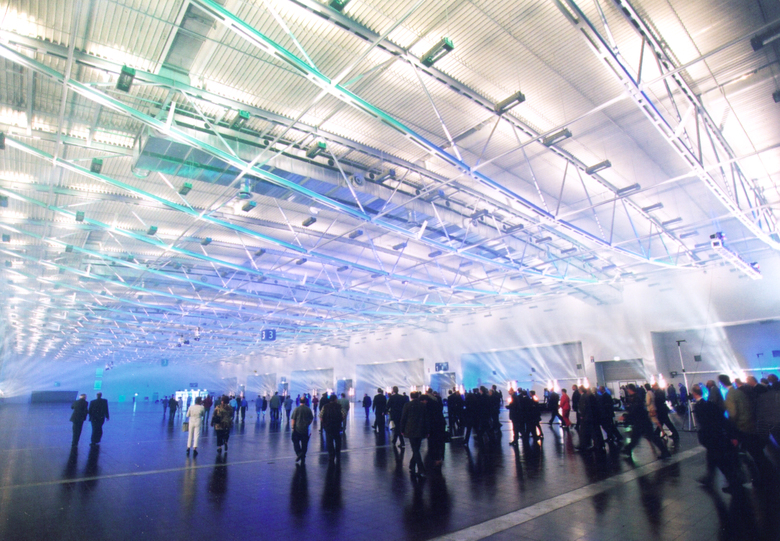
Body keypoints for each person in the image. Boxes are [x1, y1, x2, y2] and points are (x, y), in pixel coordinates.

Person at [691, 384, 740, 493]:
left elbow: (704, 424)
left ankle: (733, 482)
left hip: (711, 437)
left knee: (719, 461)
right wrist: (732, 435)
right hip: (716, 436)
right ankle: (710, 478)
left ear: (694, 393)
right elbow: (722, 420)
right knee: (712, 458)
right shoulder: (710, 404)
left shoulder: (699, 407)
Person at [620, 384, 670, 459]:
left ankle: (628, 449)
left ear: (630, 390)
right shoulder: (636, 397)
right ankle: (628, 449)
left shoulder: (635, 398)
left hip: (641, 422)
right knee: (638, 437)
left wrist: (626, 416)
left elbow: (635, 410)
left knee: (640, 437)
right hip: (642, 421)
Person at [401, 392, 430, 477]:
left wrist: (402, 429)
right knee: (416, 448)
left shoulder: (407, 405)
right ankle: (412, 464)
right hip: (421, 429)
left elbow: (403, 418)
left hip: (410, 429)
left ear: (411, 397)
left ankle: (421, 468)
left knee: (415, 449)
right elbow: (426, 418)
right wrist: (428, 430)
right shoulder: (422, 405)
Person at [291, 397, 314, 465]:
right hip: (305, 429)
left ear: (299, 401)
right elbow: (311, 419)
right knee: (304, 444)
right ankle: (303, 456)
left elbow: (293, 419)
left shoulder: (296, 409)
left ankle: (299, 452)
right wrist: (307, 424)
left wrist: (293, 427)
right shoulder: (308, 409)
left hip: (297, 429)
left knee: (295, 441)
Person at [321, 395, 343, 462]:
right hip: (337, 426)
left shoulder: (325, 407)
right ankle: (337, 454)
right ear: (335, 399)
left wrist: (324, 423)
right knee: (338, 441)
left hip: (328, 427)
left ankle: (331, 455)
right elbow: (344, 415)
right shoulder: (339, 406)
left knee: (329, 441)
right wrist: (340, 420)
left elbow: (321, 416)